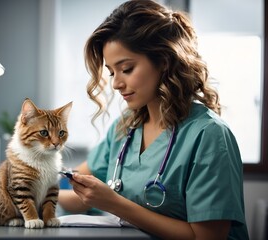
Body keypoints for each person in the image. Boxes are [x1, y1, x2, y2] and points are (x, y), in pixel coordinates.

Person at [58, 0, 249, 239]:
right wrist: (32, 190)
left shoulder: (208, 135)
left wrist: (114, 203)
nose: (116, 83)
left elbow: (205, 237)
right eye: (111, 72)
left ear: (164, 61)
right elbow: (80, 194)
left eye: (126, 69)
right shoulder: (126, 127)